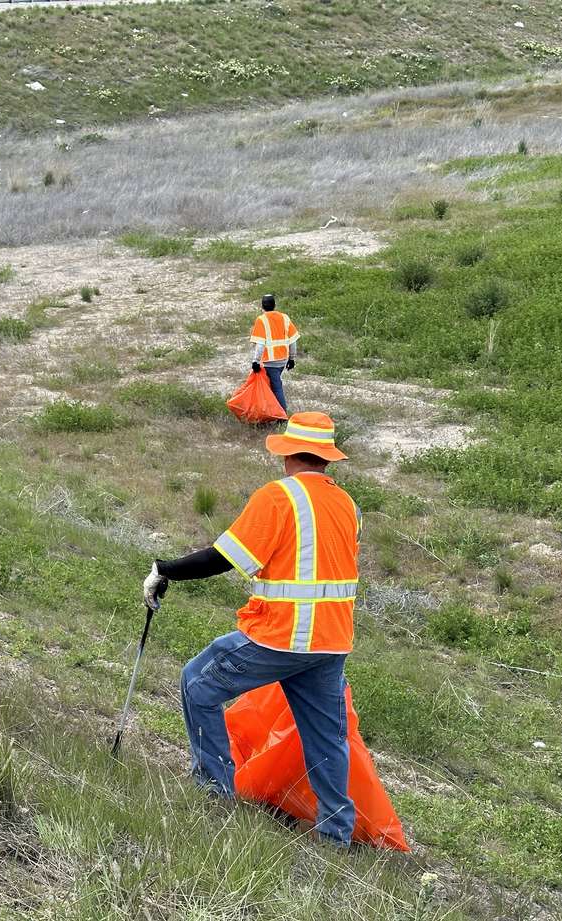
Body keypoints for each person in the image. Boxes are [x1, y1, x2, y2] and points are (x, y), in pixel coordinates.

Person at [141, 412, 360, 846]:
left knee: (198, 684)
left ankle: (214, 794)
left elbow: (225, 556)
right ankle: (337, 834)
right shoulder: (348, 505)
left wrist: (164, 569)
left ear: (287, 454)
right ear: (327, 459)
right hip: (331, 641)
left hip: (281, 636)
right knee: (327, 739)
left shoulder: (279, 497)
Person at [250, 293, 299, 412]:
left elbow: (260, 344)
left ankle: (282, 415)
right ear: (274, 305)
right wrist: (291, 358)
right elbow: (293, 341)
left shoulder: (261, 319)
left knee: (276, 387)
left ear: (262, 306)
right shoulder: (285, 318)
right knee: (272, 386)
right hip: (282, 360)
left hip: (269, 362)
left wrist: (255, 361)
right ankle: (272, 412)